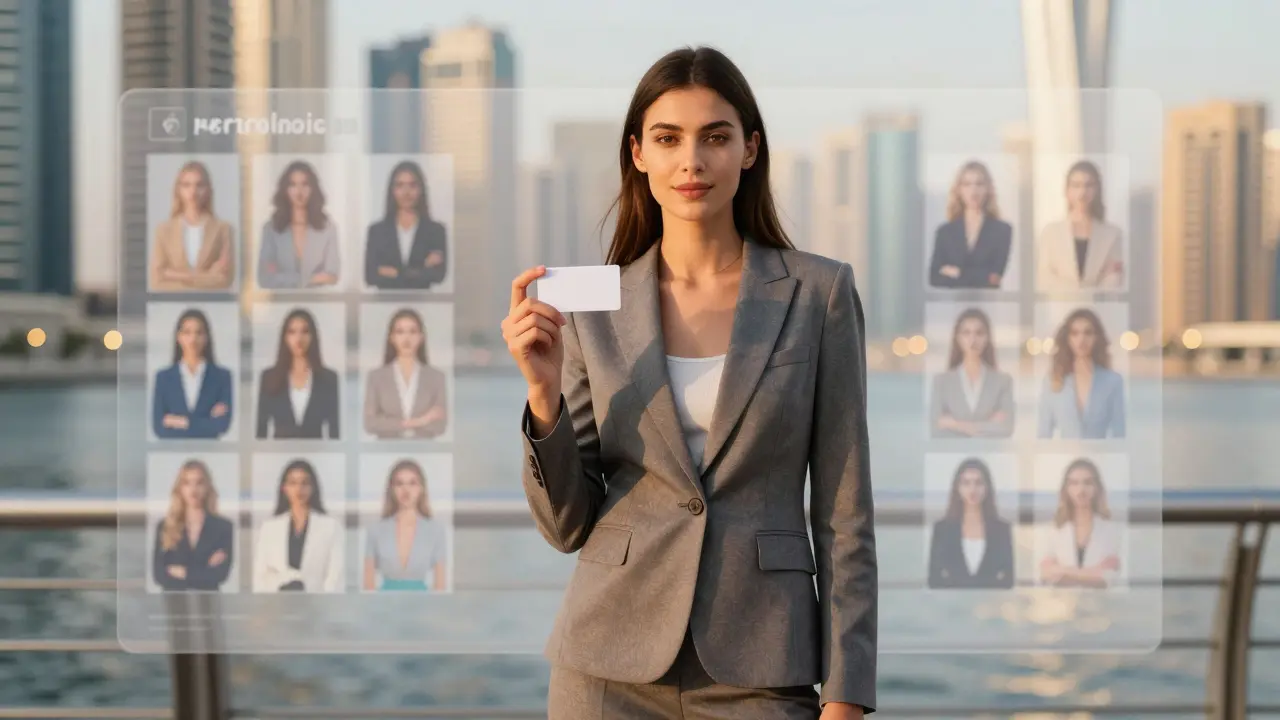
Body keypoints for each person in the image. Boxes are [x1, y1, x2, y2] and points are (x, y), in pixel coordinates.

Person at [501, 47, 876, 719]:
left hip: (762, 664)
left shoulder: (819, 294)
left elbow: (845, 516)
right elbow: (566, 526)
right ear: (639, 153)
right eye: (669, 139)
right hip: (605, 669)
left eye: (716, 137)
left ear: (750, 150)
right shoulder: (592, 303)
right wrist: (543, 397)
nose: (691, 161)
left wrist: (847, 693)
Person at [252, 459, 344, 593]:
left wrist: (323, 607)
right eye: (293, 483)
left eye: (305, 483)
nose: (299, 489)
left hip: (317, 607)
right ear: (284, 488)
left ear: (313, 488)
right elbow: (260, 577)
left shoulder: (331, 527)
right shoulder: (269, 528)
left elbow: (335, 577)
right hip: (278, 605)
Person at [1037, 308, 1126, 439]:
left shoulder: (1113, 382)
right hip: (1064, 457)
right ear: (1067, 338)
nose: (1081, 339)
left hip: (1100, 457)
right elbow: (1043, 434)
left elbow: (1120, 433)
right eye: (1075, 333)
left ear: (1096, 337)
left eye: (1088, 333)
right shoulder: (1052, 381)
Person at [1036, 160, 1125, 291]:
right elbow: (1045, 279)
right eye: (1076, 185)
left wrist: (1086, 292)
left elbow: (1114, 279)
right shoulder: (1051, 232)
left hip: (1100, 308)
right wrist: (1084, 290)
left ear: (1097, 190)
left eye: (1088, 185)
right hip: (1060, 307)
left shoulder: (1113, 234)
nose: (1082, 192)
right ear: (1067, 191)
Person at [926, 458, 1014, 589]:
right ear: (957, 487)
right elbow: (934, 578)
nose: (972, 489)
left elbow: (1008, 578)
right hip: (952, 606)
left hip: (990, 605)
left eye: (978, 483)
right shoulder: (942, 529)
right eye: (966, 483)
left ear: (987, 488)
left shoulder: (1002, 530)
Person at [362, 459, 449, 591]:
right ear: (391, 489)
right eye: (399, 484)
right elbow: (368, 583)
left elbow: (440, 585)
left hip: (422, 605)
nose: (406, 489)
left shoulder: (436, 530)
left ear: (421, 489)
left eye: (412, 483)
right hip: (384, 605)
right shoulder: (375, 530)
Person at [149, 161, 236, 291]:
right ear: (178, 190)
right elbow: (157, 281)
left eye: (199, 185)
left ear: (208, 189)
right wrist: (207, 276)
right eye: (186, 185)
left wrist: (173, 275)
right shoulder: (163, 230)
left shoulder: (223, 229)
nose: (193, 192)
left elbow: (224, 280)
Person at [362, 308, 449, 439]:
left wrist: (392, 423)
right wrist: (420, 421)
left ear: (421, 337)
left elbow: (439, 426)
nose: (407, 338)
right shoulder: (376, 377)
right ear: (392, 337)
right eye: (400, 332)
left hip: (424, 449)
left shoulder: (436, 377)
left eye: (413, 332)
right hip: (387, 448)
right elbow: (370, 424)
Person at [255, 309, 340, 440]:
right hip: (279, 453)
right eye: (292, 332)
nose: (299, 339)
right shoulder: (269, 377)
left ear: (313, 336)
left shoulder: (329, 378)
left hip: (317, 453)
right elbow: (261, 429)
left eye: (305, 332)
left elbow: (335, 430)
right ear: (285, 337)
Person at [929, 308, 1014, 438]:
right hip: (951, 454)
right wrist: (988, 424)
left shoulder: (1003, 381)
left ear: (987, 338)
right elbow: (935, 428)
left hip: (990, 455)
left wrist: (954, 424)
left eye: (979, 333)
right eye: (966, 333)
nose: (973, 339)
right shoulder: (941, 381)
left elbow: (1006, 427)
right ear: (957, 338)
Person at [926, 161, 1013, 289]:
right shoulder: (945, 232)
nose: (974, 190)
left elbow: (994, 278)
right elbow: (933, 278)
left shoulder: (1002, 230)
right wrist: (979, 275)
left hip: (989, 306)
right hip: (952, 306)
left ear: (988, 189)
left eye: (979, 184)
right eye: (967, 184)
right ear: (959, 190)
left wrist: (957, 272)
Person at [152, 459, 235, 592]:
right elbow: (159, 575)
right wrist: (203, 571)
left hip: (208, 607)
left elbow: (220, 575)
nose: (193, 489)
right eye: (187, 483)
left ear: (207, 487)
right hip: (174, 606)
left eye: (199, 483)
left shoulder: (224, 527)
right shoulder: (165, 526)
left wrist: (183, 573)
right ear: (179, 488)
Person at [1038, 458, 1123, 588]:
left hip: (1101, 605)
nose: (1081, 489)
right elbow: (1046, 574)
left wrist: (1064, 572)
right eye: (1074, 483)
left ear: (1097, 488)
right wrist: (1092, 573)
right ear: (1066, 489)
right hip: (1062, 604)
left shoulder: (1112, 530)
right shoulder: (1053, 529)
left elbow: (1107, 576)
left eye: (1087, 483)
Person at [364, 160, 449, 290]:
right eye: (400, 185)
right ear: (392, 190)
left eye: (412, 185)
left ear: (421, 189)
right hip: (384, 306)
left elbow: (438, 275)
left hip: (423, 306)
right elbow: (370, 276)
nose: (406, 192)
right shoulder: (377, 231)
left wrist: (394, 272)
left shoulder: (436, 231)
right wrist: (421, 267)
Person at [256, 160, 341, 290]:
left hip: (319, 304)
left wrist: (285, 278)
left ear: (313, 188)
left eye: (305, 184)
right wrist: (309, 279)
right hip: (279, 305)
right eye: (293, 185)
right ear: (285, 189)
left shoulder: (328, 228)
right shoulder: (271, 229)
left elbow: (332, 275)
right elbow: (266, 277)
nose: (299, 192)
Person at [152, 309, 234, 440]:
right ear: (178, 337)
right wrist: (205, 422)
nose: (193, 339)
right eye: (187, 332)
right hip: (174, 450)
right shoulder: (163, 377)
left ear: (207, 337)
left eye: (199, 333)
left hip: (209, 449)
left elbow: (221, 426)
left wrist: (181, 422)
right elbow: (159, 428)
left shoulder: (222, 377)